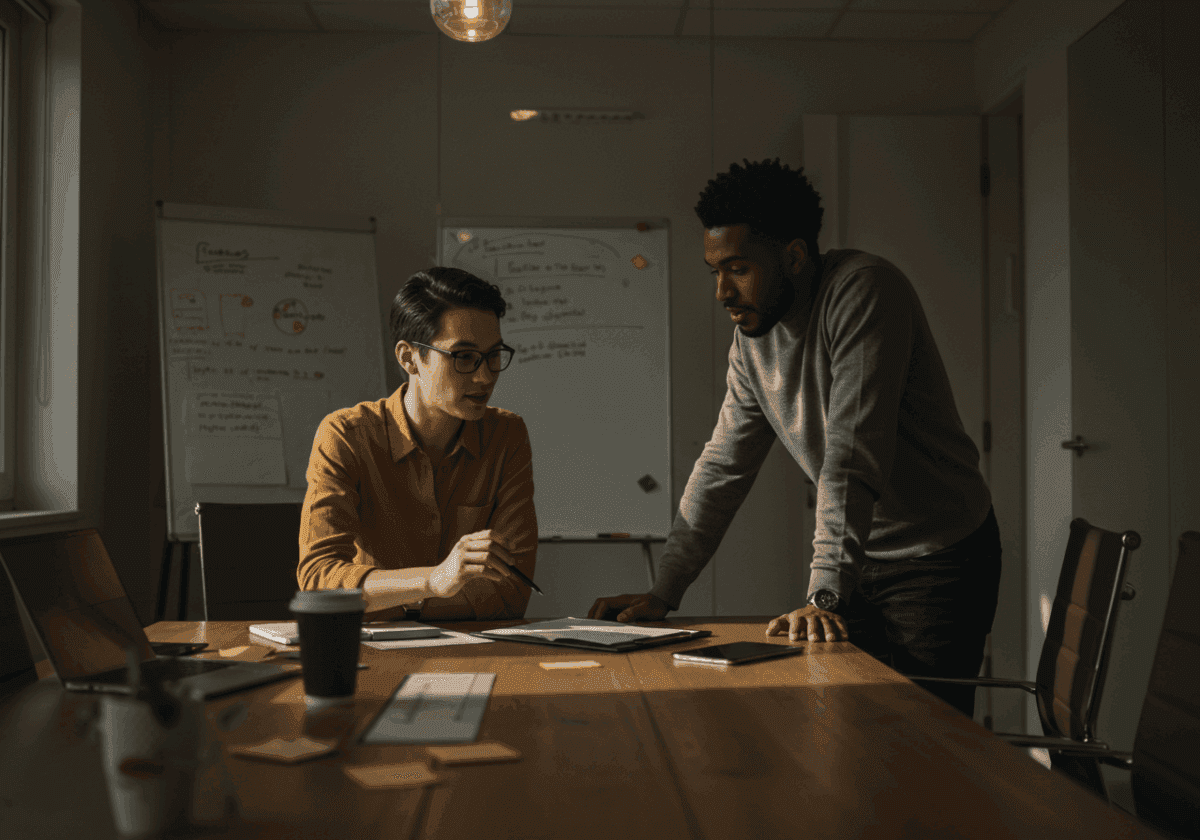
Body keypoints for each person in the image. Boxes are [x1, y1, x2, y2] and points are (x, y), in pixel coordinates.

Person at [588, 159, 1000, 717]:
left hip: (936, 555)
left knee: (928, 735)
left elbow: (851, 455)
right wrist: (665, 591)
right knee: (854, 728)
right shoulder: (751, 342)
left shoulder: (864, 291)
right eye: (714, 271)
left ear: (795, 257)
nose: (722, 293)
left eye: (737, 268)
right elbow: (723, 466)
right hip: (857, 554)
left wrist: (824, 593)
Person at [298, 266, 537, 621]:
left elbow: (510, 592)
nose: (485, 375)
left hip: (474, 650)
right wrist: (434, 581)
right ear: (409, 357)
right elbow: (319, 581)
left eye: (494, 355)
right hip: (372, 652)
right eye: (464, 356)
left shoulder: (506, 435)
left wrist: (390, 596)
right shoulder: (347, 435)